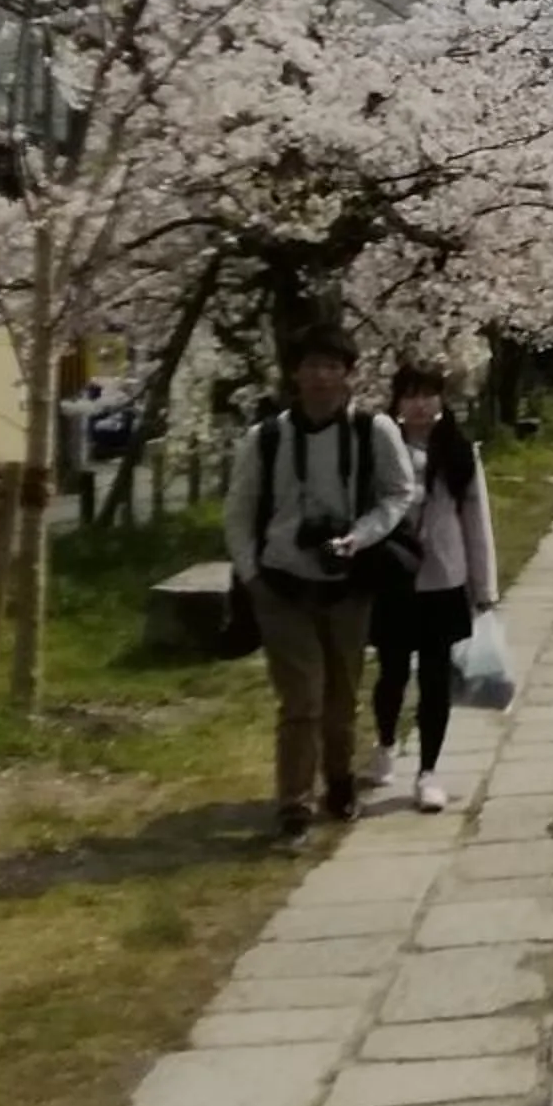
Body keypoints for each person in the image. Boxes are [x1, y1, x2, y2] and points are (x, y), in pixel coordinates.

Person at [223, 326, 419, 848]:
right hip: (282, 581)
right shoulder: (265, 438)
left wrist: (361, 536)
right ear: (295, 373)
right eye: (311, 366)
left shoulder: (372, 431)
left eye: (332, 367)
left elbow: (399, 493)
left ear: (349, 374)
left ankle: (338, 781)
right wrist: (253, 575)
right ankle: (294, 802)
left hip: (348, 581)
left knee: (341, 694)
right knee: (301, 698)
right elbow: (238, 513)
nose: (321, 376)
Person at [367, 365, 499, 815]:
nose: (420, 404)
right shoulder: (381, 449)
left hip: (444, 579)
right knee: (392, 673)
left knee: (436, 679)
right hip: (394, 581)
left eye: (428, 395)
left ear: (442, 401)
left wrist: (484, 588)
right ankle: (385, 742)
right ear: (397, 402)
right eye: (410, 395)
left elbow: (476, 522)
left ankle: (428, 771)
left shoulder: (458, 451)